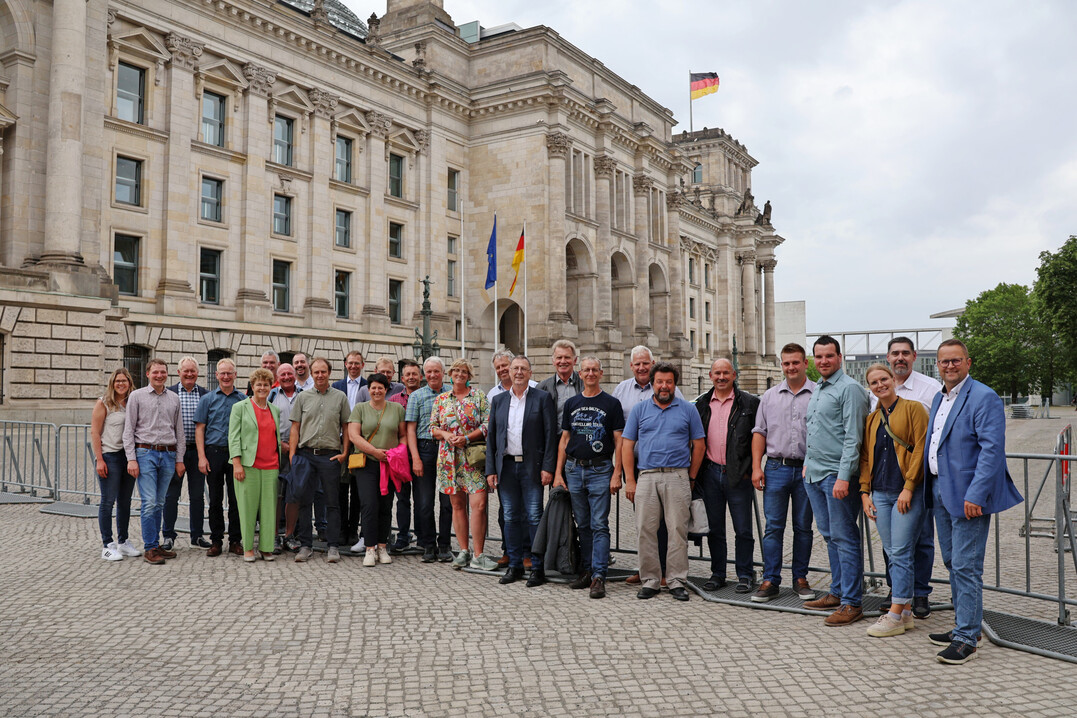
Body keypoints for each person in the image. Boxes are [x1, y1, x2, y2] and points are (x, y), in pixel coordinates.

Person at [926, 339, 1022, 664]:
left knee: (966, 566)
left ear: (968, 363)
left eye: (956, 360)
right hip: (940, 489)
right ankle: (963, 626)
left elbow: (992, 449)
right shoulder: (940, 398)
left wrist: (977, 494)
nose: (950, 366)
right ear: (937, 365)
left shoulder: (983, 396)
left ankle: (966, 639)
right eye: (944, 361)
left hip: (968, 495)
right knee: (952, 561)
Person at [871, 337, 943, 619]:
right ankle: (897, 591)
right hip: (886, 478)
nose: (899, 358)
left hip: (918, 477)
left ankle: (920, 592)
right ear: (888, 358)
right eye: (895, 353)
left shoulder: (930, 388)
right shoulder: (876, 391)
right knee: (892, 543)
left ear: (914, 356)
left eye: (905, 353)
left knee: (922, 538)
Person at [621, 362, 705, 602]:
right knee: (645, 530)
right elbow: (627, 445)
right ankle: (650, 580)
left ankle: (677, 580)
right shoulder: (639, 410)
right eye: (660, 382)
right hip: (646, 476)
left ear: (675, 384)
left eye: (669, 382)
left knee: (677, 530)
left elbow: (699, 445)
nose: (664, 386)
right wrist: (630, 480)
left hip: (677, 475)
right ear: (653, 384)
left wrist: (691, 476)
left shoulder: (688, 410)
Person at [803, 336, 870, 625]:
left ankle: (852, 602)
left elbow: (853, 438)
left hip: (836, 476)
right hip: (815, 474)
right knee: (830, 536)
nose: (823, 361)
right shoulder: (819, 387)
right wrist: (807, 465)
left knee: (845, 538)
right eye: (818, 357)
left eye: (829, 356)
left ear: (840, 358)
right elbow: (814, 429)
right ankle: (838, 591)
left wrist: (844, 478)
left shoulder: (850, 389)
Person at [859, 364, 929, 637]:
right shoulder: (872, 419)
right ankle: (906, 611)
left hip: (905, 493)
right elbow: (866, 458)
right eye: (874, 382)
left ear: (893, 380)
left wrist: (909, 486)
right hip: (881, 493)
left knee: (900, 552)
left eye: (884, 379)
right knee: (892, 553)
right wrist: (865, 493)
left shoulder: (914, 409)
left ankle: (895, 614)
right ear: (870, 387)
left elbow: (921, 447)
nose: (880, 385)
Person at [553, 356, 624, 599]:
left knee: (599, 524)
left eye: (595, 370)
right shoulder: (572, 403)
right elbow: (564, 439)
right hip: (574, 469)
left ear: (601, 373)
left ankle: (599, 576)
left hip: (600, 470)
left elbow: (619, 441)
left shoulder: (611, 403)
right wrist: (558, 473)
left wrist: (617, 473)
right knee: (582, 524)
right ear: (580, 374)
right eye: (586, 370)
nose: (591, 373)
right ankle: (587, 570)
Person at [750, 343, 816, 602]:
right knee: (773, 528)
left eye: (795, 362)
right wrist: (757, 467)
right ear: (781, 365)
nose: (791, 367)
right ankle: (770, 580)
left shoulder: (818, 394)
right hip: (776, 468)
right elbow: (759, 432)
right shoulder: (769, 397)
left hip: (807, 470)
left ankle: (800, 579)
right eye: (786, 363)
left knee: (803, 528)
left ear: (805, 363)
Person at [612, 345, 683, 586]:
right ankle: (647, 569)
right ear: (631, 366)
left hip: (666, 465)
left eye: (646, 363)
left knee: (666, 522)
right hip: (635, 466)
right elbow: (618, 433)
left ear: (652, 364)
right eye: (637, 364)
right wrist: (621, 473)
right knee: (644, 521)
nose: (642, 367)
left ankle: (665, 571)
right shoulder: (621, 390)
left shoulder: (670, 389)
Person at [486, 356, 558, 587]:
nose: (518, 372)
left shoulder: (542, 398)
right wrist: (490, 470)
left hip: (532, 467)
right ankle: (515, 565)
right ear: (509, 371)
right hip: (506, 467)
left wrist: (548, 467)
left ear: (529, 373)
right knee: (510, 516)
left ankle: (537, 567)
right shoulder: (498, 400)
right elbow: (492, 438)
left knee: (534, 516)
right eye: (515, 368)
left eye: (523, 369)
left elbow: (550, 436)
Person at [695, 357, 759, 594]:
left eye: (725, 373)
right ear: (710, 376)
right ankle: (718, 574)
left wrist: (752, 468)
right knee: (715, 528)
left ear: (734, 375)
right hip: (710, 472)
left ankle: (745, 574)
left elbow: (759, 438)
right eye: (717, 373)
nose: (721, 377)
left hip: (739, 474)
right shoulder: (701, 404)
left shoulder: (749, 403)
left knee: (743, 529)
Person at [431, 359, 496, 570]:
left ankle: (479, 554)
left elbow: (488, 424)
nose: (460, 374)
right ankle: (464, 551)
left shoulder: (478, 396)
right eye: (456, 371)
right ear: (450, 374)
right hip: (449, 460)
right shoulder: (441, 399)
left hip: (473, 458)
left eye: (464, 371)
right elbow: (432, 427)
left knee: (479, 505)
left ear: (469, 376)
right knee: (457, 505)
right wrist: (446, 435)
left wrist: (467, 438)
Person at [122, 358, 186, 565]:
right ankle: (150, 547)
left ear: (167, 374)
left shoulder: (174, 398)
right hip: (145, 453)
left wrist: (179, 459)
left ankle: (156, 544)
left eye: (163, 372)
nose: (159, 375)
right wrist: (131, 459)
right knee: (149, 502)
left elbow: (179, 431)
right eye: (155, 372)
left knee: (160, 502)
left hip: (168, 454)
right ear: (148, 374)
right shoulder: (137, 396)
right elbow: (129, 430)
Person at [291, 357, 351, 563]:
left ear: (329, 373)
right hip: (306, 455)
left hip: (330, 456)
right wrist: (292, 455)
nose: (319, 375)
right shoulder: (302, 397)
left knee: (332, 502)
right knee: (304, 502)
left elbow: (346, 427)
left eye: (323, 372)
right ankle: (306, 545)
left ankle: (333, 546)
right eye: (316, 372)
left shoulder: (340, 397)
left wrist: (344, 453)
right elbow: (295, 427)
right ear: (311, 373)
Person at [348, 373, 406, 567]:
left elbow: (403, 435)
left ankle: (382, 546)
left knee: (385, 505)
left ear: (386, 389)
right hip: (367, 463)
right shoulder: (360, 408)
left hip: (389, 463)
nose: (377, 391)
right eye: (373, 387)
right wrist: (375, 452)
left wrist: (397, 453)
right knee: (369, 504)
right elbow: (354, 436)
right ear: (368, 389)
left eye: (380, 387)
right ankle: (369, 548)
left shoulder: (397, 409)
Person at [229, 368, 281, 562]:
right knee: (247, 509)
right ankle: (248, 547)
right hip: (247, 466)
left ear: (270, 387)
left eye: (266, 384)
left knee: (269, 509)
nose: (262, 388)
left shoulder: (274, 410)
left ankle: (266, 548)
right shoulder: (240, 407)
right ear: (252, 386)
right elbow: (233, 437)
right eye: (258, 384)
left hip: (271, 466)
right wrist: (237, 464)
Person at [195, 358, 246, 557]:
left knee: (236, 499)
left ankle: (235, 540)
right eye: (222, 373)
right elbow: (200, 429)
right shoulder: (207, 399)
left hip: (236, 456)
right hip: (213, 453)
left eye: (229, 373)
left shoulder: (243, 400)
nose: (226, 377)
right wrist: (201, 457)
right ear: (216, 375)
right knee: (215, 499)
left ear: (235, 375)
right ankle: (216, 541)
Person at [405, 357, 454, 563]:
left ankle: (445, 545)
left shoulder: (452, 393)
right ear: (424, 375)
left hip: (448, 450)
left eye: (436, 371)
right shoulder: (416, 396)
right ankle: (428, 544)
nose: (433, 375)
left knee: (447, 502)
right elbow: (410, 430)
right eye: (429, 372)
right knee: (424, 502)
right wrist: (415, 457)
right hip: (424, 450)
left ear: (443, 373)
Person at [91, 368, 141, 561]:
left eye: (124, 381)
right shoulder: (104, 403)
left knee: (125, 501)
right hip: (110, 456)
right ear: (112, 383)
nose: (121, 384)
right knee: (108, 501)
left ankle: (123, 541)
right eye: (117, 381)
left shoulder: (133, 402)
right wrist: (99, 459)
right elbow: (95, 432)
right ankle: (107, 545)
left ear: (130, 383)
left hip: (128, 456)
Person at [162, 356, 209, 551]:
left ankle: (197, 535)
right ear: (179, 372)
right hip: (175, 452)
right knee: (171, 495)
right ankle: (168, 535)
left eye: (193, 371)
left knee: (197, 496)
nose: (189, 374)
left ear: (198, 373)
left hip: (198, 452)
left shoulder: (205, 395)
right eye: (186, 371)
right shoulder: (169, 393)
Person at [385, 359, 420, 554]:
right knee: (402, 498)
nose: (411, 377)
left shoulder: (427, 396)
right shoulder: (393, 400)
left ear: (420, 377)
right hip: (400, 457)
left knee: (423, 500)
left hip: (422, 454)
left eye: (414, 374)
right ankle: (403, 535)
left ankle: (423, 536)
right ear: (402, 378)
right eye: (408, 374)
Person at [332, 350, 366, 547]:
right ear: (345, 364)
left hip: (360, 444)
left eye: (357, 363)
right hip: (341, 443)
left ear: (362, 365)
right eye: (350, 363)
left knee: (358, 489)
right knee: (341, 489)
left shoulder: (368, 386)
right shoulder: (336, 386)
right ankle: (342, 529)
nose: (353, 366)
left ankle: (353, 530)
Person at [271, 363, 303, 553]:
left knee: (294, 495)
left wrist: (295, 446)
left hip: (298, 451)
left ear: (295, 375)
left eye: (289, 374)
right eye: (282, 374)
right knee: (275, 496)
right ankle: (274, 535)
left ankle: (289, 535)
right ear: (278, 377)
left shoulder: (303, 394)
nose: (286, 377)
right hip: (275, 450)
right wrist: (280, 444)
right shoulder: (272, 395)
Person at [536, 339, 582, 429]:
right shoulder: (542, 387)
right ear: (553, 361)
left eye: (567, 357)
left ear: (575, 360)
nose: (563, 361)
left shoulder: (586, 385)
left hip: (579, 436)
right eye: (559, 357)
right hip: (554, 437)